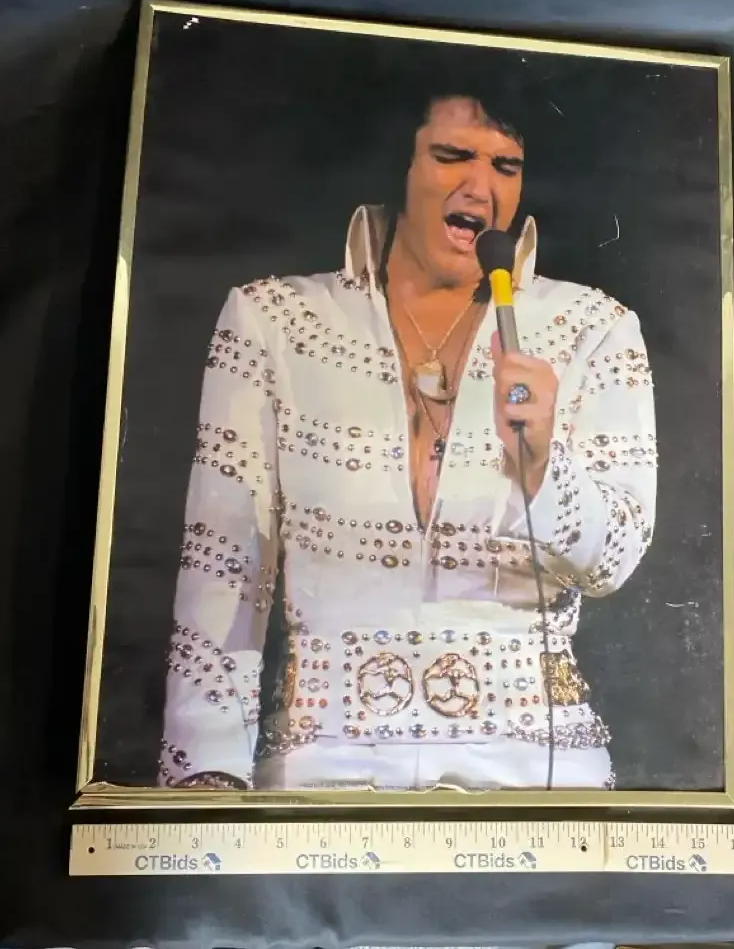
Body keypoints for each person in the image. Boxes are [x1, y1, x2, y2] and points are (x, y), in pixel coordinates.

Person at [159, 84, 657, 792]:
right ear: (397, 167)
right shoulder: (274, 320)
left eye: (506, 166)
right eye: (452, 156)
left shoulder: (592, 328)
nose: (480, 187)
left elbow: (615, 560)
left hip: (537, 775)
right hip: (321, 774)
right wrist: (207, 778)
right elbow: (222, 570)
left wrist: (544, 465)